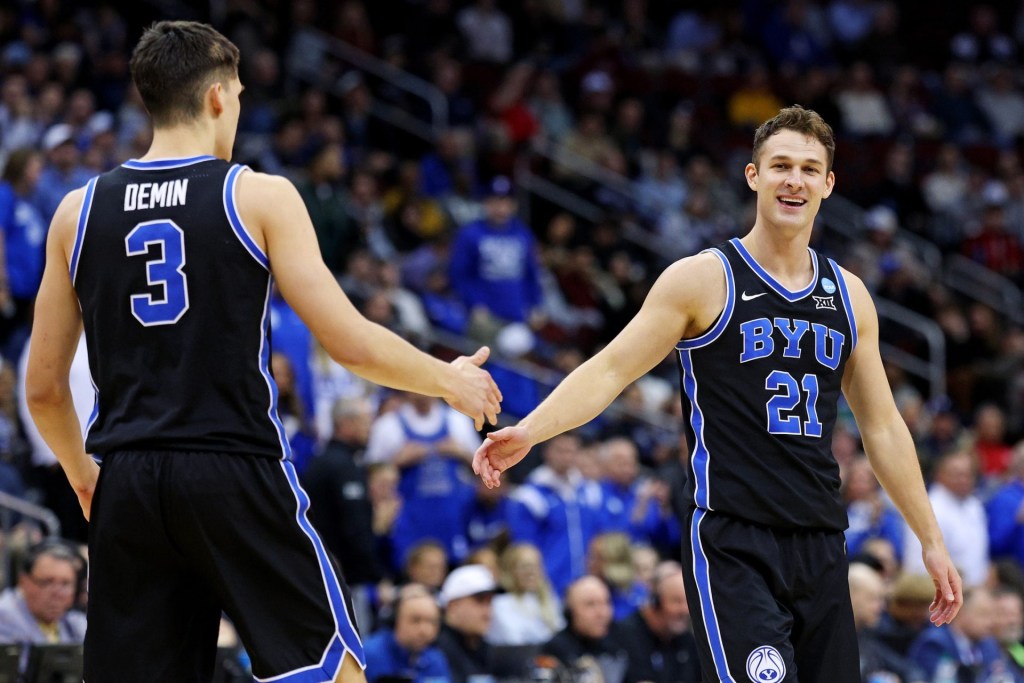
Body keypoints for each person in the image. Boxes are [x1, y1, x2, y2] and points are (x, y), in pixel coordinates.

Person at [25, 21, 501, 683]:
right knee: (330, 670)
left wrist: (84, 474)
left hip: (127, 475)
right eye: (241, 95)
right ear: (219, 97)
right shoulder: (256, 194)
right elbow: (349, 342)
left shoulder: (76, 211)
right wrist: (448, 380)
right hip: (232, 464)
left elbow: (43, 390)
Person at [474, 105, 961, 682]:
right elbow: (611, 370)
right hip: (734, 538)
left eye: (809, 169)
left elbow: (881, 427)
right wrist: (531, 429)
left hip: (823, 540)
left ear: (829, 185)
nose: (794, 180)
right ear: (753, 175)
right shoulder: (703, 278)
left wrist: (930, 538)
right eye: (780, 165)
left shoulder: (849, 295)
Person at [609, 561, 701, 683]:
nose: (685, 610)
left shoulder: (686, 639)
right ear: (656, 602)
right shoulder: (628, 635)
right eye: (677, 601)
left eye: (687, 602)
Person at [541, 575, 628, 683]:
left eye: (606, 603)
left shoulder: (621, 640)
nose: (602, 613)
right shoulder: (555, 650)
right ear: (570, 612)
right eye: (590, 605)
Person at [0, 540, 87, 646]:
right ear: (23, 582)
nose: (57, 594)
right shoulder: (4, 618)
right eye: (47, 582)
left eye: (65, 584)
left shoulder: (76, 624)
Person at [362, 583, 451, 683]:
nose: (424, 630)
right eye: (415, 620)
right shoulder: (368, 655)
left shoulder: (436, 659)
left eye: (432, 622)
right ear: (395, 620)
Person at [434, 564, 500, 683]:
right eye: (479, 601)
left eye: (490, 602)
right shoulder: (436, 650)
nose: (487, 613)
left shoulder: (485, 649)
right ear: (453, 606)